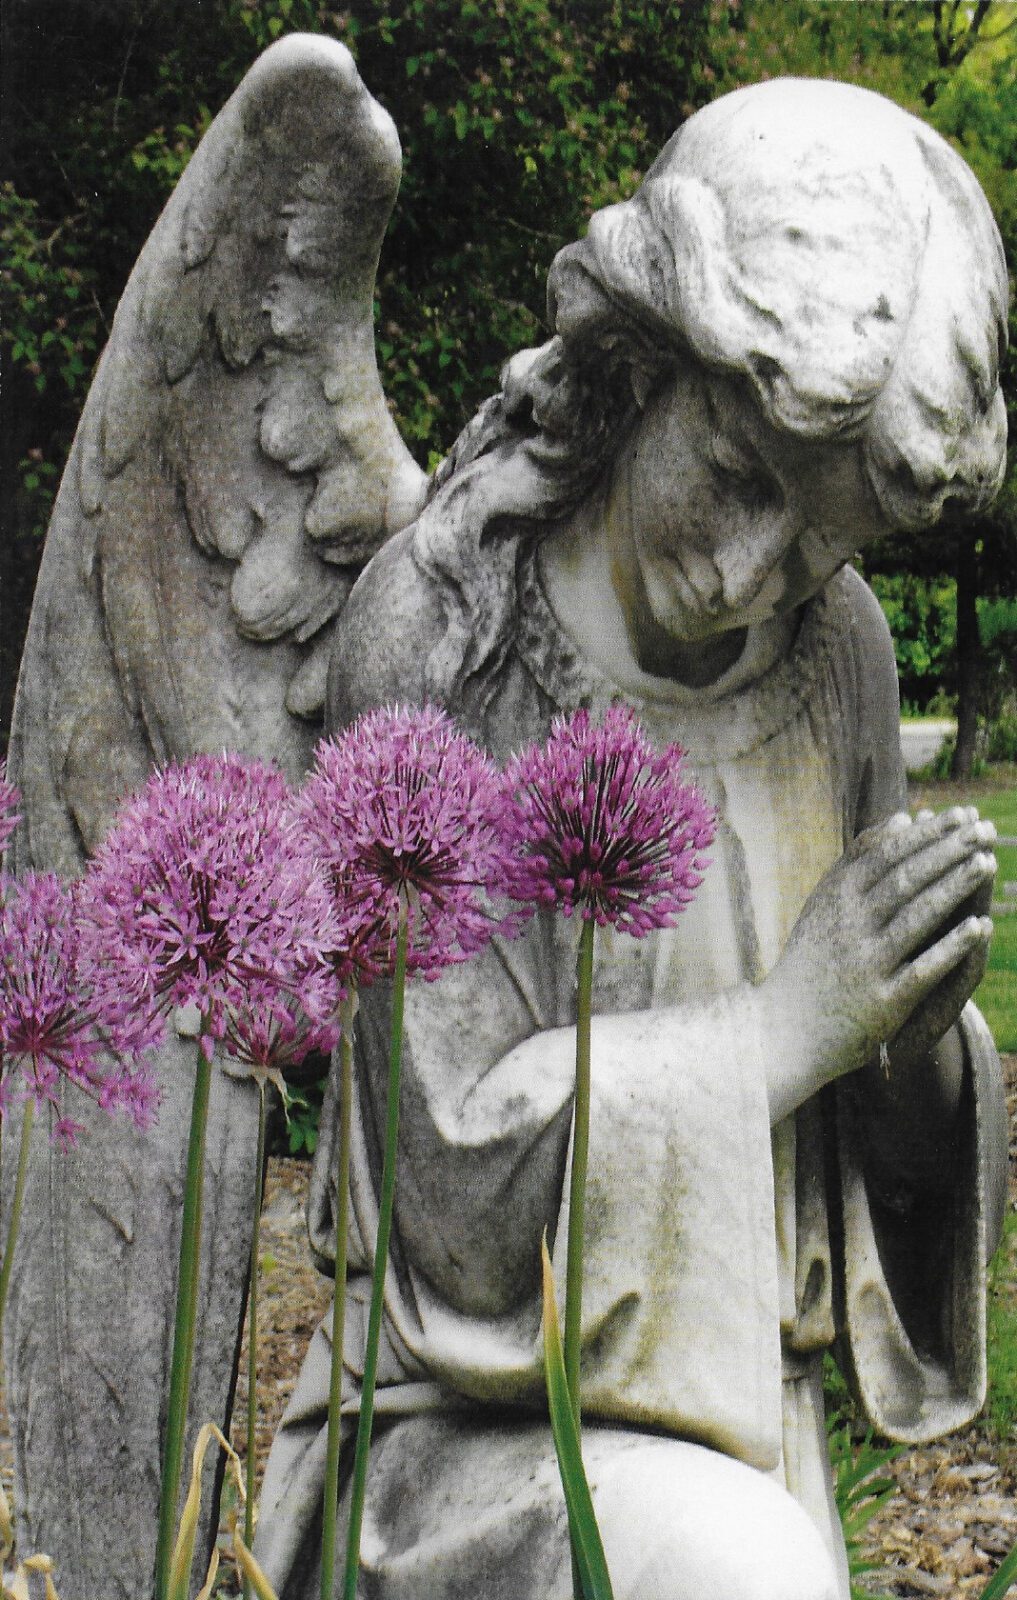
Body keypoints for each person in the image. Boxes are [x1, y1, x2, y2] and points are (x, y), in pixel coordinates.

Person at [256, 78, 1009, 1600]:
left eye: (821, 536)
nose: (750, 573)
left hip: (740, 1424)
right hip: (457, 1437)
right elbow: (447, 1186)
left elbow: (866, 1164)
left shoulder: (838, 656)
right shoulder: (446, 627)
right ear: (632, 365)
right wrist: (792, 1025)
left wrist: (905, 1047)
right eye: (733, 478)